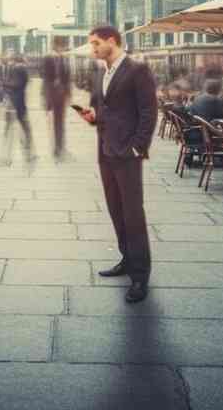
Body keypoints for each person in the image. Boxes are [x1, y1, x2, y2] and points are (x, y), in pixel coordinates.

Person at [76, 25, 156, 304]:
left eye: (96, 43)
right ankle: (126, 258)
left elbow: (148, 112)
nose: (93, 49)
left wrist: (137, 147)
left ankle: (140, 276)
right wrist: (92, 117)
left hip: (127, 154)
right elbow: (104, 110)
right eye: (91, 44)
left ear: (112, 41)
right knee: (115, 210)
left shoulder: (137, 70)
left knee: (133, 213)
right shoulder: (101, 72)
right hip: (106, 150)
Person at [41, 40, 73, 159]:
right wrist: (45, 97)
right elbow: (44, 78)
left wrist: (69, 94)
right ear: (56, 47)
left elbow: (68, 79)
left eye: (63, 48)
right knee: (52, 123)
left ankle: (61, 147)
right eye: (61, 47)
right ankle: (56, 149)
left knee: (60, 123)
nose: (62, 50)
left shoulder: (65, 60)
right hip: (51, 95)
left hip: (61, 96)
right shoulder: (48, 59)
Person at [2, 54, 34, 162]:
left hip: (17, 100)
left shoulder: (18, 68)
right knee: (23, 122)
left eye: (11, 60)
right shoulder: (21, 68)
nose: (10, 62)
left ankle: (25, 142)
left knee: (20, 122)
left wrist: (5, 83)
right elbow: (19, 83)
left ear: (15, 60)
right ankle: (27, 141)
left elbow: (17, 84)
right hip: (19, 99)